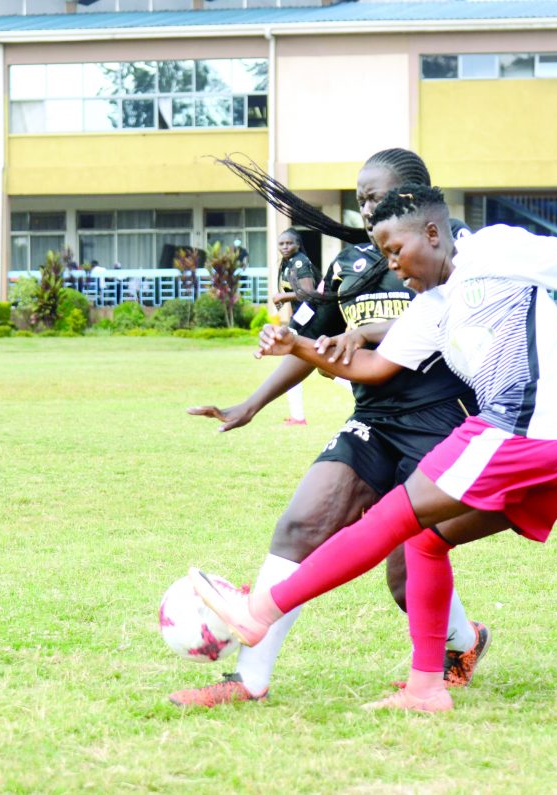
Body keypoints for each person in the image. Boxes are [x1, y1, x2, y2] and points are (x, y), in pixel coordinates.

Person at [190, 185, 557, 712]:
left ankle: (258, 611)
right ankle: (426, 688)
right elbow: (374, 366)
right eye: (384, 253)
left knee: (389, 519)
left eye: (395, 250)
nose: (392, 264)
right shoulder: (432, 307)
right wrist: (298, 345)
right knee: (426, 541)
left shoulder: (492, 248)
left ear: (433, 233)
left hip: (528, 431)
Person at [173, 150, 489, 708]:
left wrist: (370, 335)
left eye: (375, 196)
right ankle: (247, 679)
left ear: (418, 193)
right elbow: (314, 339)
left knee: (405, 576)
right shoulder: (349, 264)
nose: (365, 209)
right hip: (374, 420)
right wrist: (251, 403)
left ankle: (464, 642)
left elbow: (459, 315)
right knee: (300, 525)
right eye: (360, 198)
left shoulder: (453, 244)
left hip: (445, 425)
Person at [272, 228, 319, 426]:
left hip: (310, 318)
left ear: (298, 245)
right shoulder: (287, 263)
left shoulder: (300, 261)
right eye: (281, 244)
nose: (285, 247)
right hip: (301, 317)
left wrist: (283, 296)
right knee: (295, 363)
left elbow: (309, 292)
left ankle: (298, 416)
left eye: (289, 243)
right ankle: (297, 416)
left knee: (324, 367)